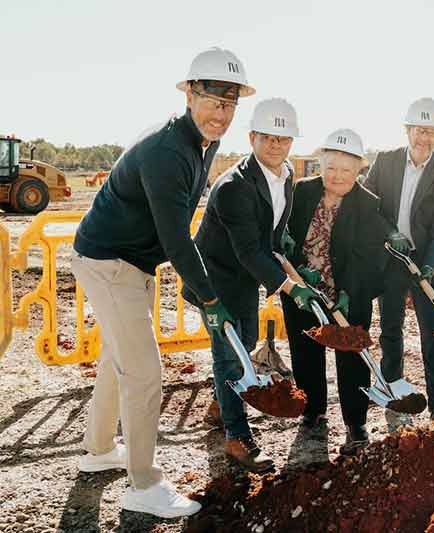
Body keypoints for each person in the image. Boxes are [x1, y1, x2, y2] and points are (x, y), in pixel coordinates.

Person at [70, 47, 254, 518]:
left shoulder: (202, 143)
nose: (222, 114)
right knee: (145, 371)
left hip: (129, 262)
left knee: (119, 358)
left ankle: (97, 451)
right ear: (190, 93)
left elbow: (179, 226)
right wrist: (211, 298)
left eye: (231, 104)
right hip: (110, 261)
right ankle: (143, 486)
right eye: (214, 101)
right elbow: (177, 240)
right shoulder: (168, 151)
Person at [182, 98, 316, 471]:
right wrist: (291, 288)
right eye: (268, 137)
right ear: (253, 136)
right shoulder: (233, 187)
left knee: (248, 343)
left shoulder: (286, 176)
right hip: (215, 279)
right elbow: (246, 251)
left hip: (245, 278)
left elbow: (270, 238)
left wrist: (289, 257)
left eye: (284, 138)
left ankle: (218, 406)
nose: (276, 145)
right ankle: (237, 438)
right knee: (230, 355)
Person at [281, 129, 392, 455]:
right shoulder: (301, 192)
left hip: (348, 294)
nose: (337, 176)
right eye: (331, 168)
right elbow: (285, 234)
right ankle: (312, 410)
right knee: (305, 350)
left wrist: (347, 292)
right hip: (303, 289)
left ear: (358, 170)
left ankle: (355, 422)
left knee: (352, 356)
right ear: (321, 164)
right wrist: (298, 267)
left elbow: (369, 257)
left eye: (346, 170)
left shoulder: (368, 205)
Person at [363, 97, 434, 422]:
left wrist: (430, 266)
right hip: (391, 258)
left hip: (426, 261)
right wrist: (390, 233)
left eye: (432, 132)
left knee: (433, 332)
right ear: (407, 130)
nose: (425, 138)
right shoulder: (385, 161)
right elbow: (369, 207)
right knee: (391, 327)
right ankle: (394, 390)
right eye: (419, 130)